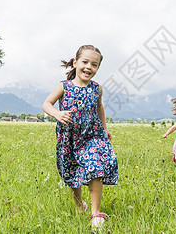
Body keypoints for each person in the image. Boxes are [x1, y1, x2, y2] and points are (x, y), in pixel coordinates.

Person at [43, 45, 118, 228]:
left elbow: (99, 107)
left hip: (92, 135)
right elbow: (47, 104)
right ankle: (79, 205)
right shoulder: (64, 86)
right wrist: (57, 114)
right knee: (72, 171)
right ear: (75, 63)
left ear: (98, 68)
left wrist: (105, 128)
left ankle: (96, 214)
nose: (88, 67)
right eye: (85, 62)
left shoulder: (97, 88)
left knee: (95, 165)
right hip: (69, 136)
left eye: (94, 64)